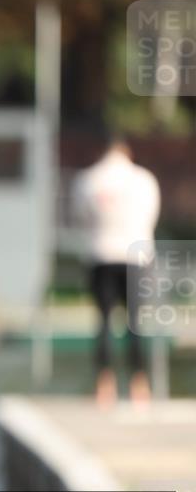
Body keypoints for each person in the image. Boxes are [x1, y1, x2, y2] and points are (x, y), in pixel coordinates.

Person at [72, 137, 161, 409]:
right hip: (136, 257)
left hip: (101, 256)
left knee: (104, 322)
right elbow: (151, 215)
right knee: (135, 323)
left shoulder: (89, 180)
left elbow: (80, 217)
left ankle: (105, 387)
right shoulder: (143, 179)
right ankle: (139, 386)